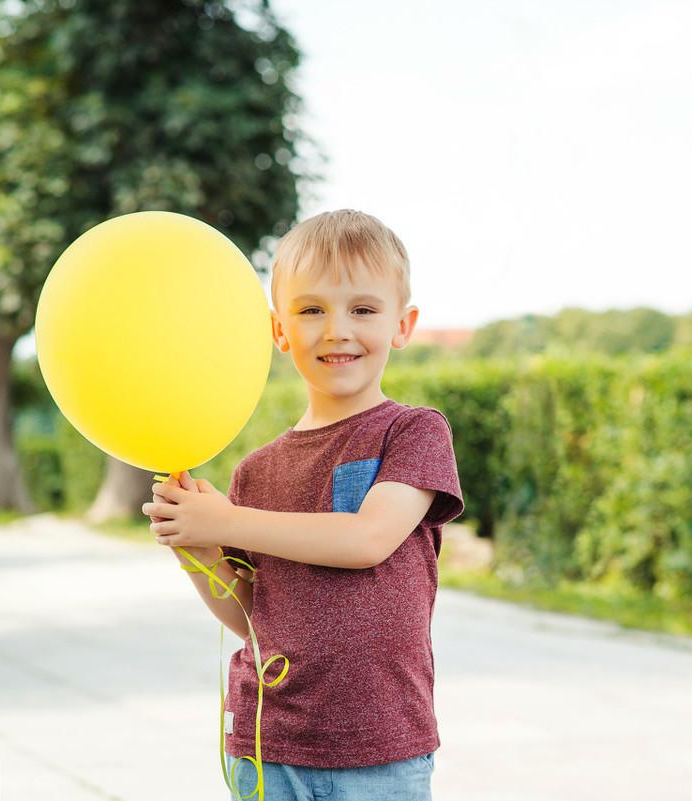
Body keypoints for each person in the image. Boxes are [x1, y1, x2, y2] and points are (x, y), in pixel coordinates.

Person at [142, 209, 464, 801]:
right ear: (279, 330)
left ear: (403, 324)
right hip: (268, 744)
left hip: (380, 747)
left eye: (363, 309)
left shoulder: (414, 433)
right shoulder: (257, 471)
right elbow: (250, 617)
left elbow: (368, 540)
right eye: (311, 310)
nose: (337, 329)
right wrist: (198, 547)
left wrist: (227, 520)